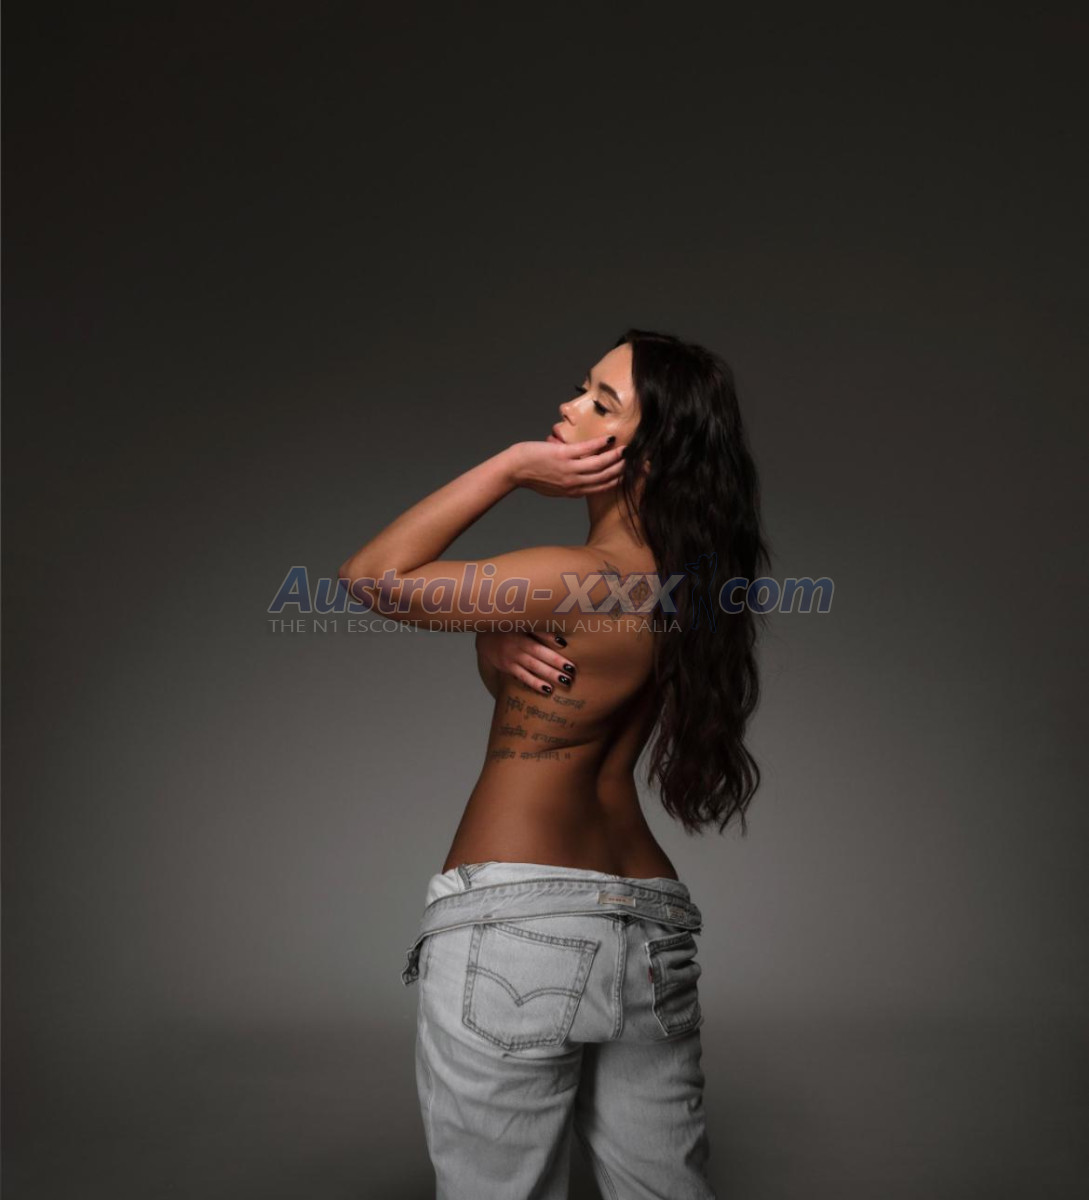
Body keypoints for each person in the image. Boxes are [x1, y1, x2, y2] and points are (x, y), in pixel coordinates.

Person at [338, 328, 771, 1199]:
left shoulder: (571, 573)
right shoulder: (688, 589)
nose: (567, 408)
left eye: (600, 403)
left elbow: (372, 577)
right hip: (649, 920)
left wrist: (508, 468)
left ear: (649, 452)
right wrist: (491, 637)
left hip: (520, 923)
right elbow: (570, 689)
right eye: (582, 387)